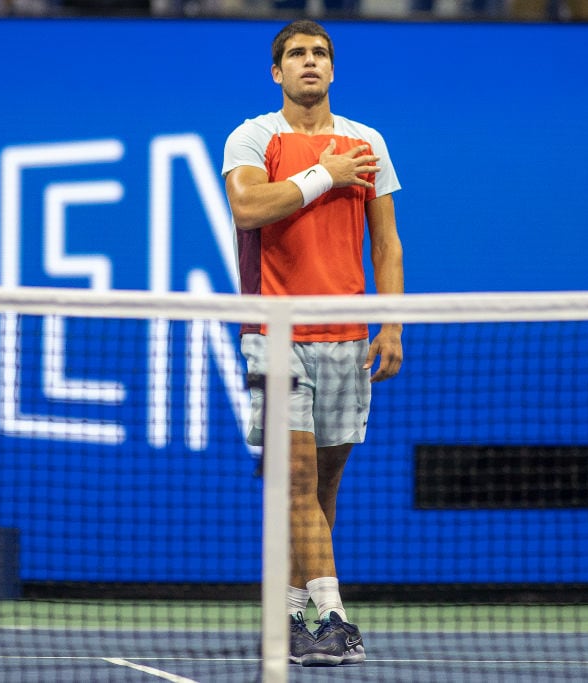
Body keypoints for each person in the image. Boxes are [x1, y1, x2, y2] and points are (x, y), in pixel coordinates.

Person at [221, 19, 404, 667]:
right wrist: (324, 175)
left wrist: (391, 323)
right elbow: (248, 209)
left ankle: (293, 613)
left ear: (332, 69)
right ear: (277, 72)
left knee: (323, 487)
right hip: (275, 335)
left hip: (348, 336)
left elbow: (385, 242)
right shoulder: (252, 137)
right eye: (296, 54)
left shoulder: (367, 140)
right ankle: (331, 618)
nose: (309, 62)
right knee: (295, 479)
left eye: (319, 53)